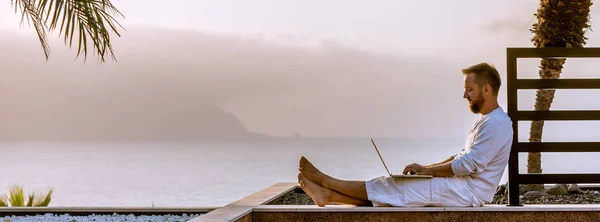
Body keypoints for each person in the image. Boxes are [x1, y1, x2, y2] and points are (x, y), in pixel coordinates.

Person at [297, 62, 513, 207]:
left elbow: (466, 166)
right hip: (463, 187)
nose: (464, 94)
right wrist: (425, 170)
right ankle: (329, 195)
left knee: (395, 187)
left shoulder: (496, 124)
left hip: (469, 193)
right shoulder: (487, 121)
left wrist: (427, 172)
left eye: (470, 89)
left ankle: (326, 181)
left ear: (486, 89)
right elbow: (460, 158)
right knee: (395, 191)